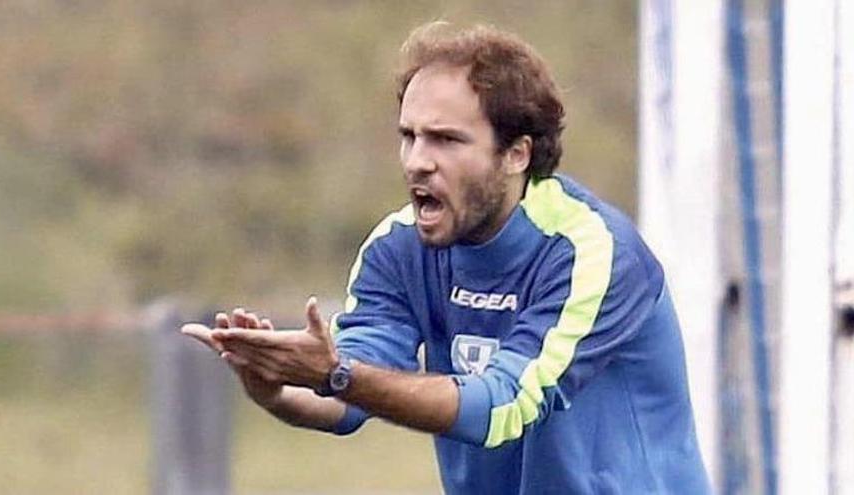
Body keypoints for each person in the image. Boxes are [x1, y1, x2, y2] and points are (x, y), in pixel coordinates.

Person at [182, 22, 710, 494]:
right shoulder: (398, 248)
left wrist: (336, 373)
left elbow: (502, 407)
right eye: (408, 136)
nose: (417, 161)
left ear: (516, 154)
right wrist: (276, 389)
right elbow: (349, 392)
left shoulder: (592, 253)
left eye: (445, 140)